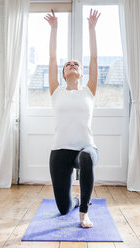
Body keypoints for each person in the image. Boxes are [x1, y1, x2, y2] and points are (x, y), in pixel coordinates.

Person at [44, 9, 100, 228]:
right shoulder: (56, 91)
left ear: (82, 74)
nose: (72, 65)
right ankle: (77, 202)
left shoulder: (89, 91)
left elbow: (94, 58)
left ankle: (84, 212)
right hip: (60, 152)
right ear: (63, 73)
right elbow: (51, 57)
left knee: (86, 158)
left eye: (76, 64)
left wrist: (92, 28)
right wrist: (54, 28)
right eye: (68, 64)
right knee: (63, 208)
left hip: (86, 147)